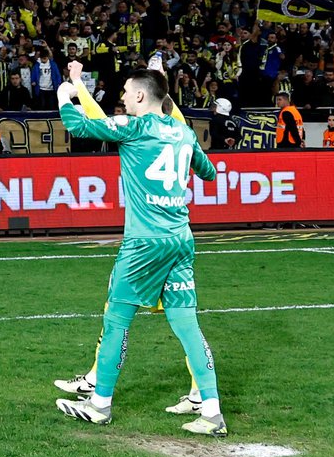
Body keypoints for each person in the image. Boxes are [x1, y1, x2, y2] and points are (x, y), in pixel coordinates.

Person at [54, 63, 227, 437]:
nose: (122, 100)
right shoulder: (182, 131)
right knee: (187, 326)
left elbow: (80, 126)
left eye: (125, 93)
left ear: (138, 95)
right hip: (180, 238)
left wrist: (64, 97)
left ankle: (99, 404)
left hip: (144, 242)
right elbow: (209, 172)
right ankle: (212, 412)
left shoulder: (133, 127)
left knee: (116, 319)